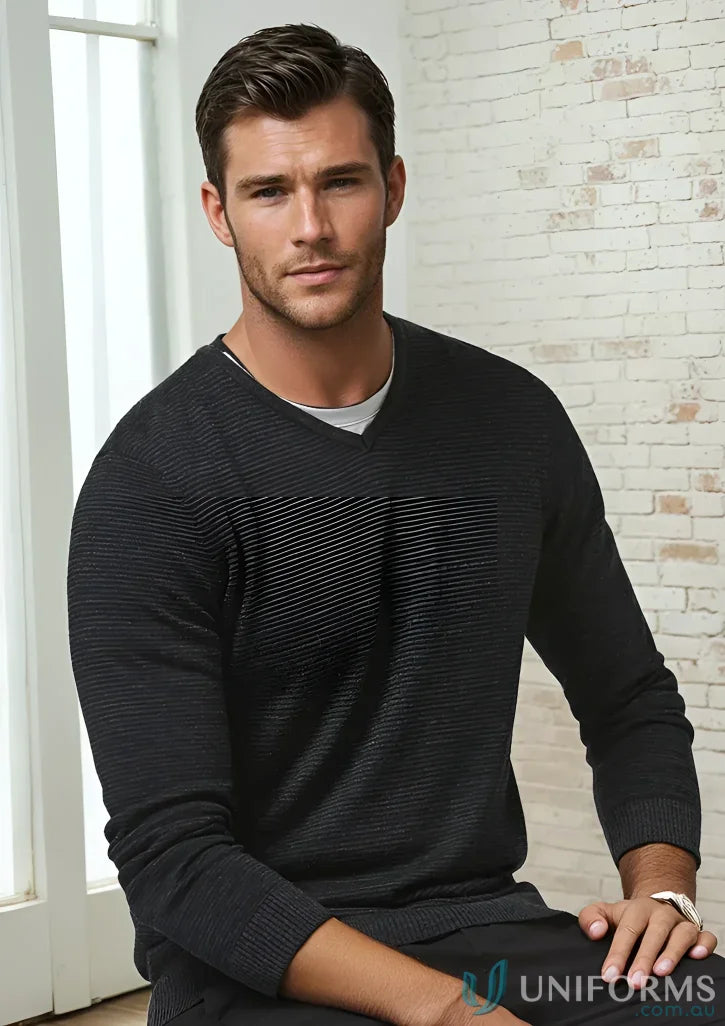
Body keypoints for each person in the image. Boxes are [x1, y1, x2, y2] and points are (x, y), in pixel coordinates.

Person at [66, 21, 723, 1026]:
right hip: (258, 972)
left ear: (394, 188)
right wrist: (451, 1015)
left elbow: (627, 696)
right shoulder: (151, 481)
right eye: (268, 192)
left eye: (340, 182)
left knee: (700, 1003)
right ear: (218, 213)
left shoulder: (510, 423)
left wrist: (660, 892)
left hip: (485, 936)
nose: (311, 227)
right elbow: (175, 860)